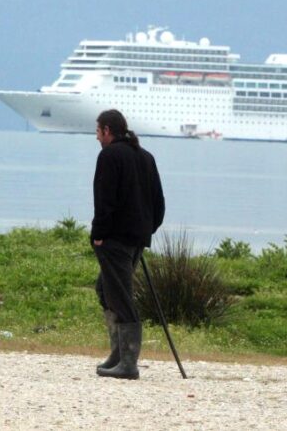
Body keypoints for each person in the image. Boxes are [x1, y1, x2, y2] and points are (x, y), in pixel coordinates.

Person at [91, 109, 165, 380]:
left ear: (108, 131)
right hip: (136, 239)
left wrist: (99, 233)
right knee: (105, 289)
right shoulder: (146, 157)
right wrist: (146, 230)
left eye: (98, 132)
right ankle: (118, 354)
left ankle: (128, 363)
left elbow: (105, 198)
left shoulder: (109, 155)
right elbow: (158, 203)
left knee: (120, 296)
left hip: (114, 239)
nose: (97, 138)